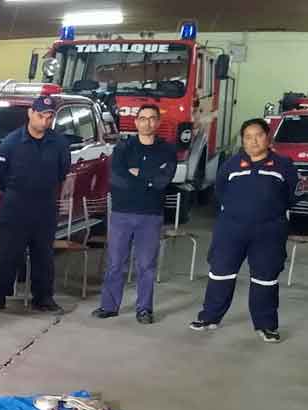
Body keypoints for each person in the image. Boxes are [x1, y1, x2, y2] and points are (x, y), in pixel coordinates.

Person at [190, 118, 301, 342]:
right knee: (220, 273)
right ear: (243, 140)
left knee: (265, 278)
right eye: (248, 137)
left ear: (267, 137)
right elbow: (220, 192)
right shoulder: (231, 165)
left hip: (269, 232)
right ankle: (209, 317)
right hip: (231, 230)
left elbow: (292, 195)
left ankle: (266, 325)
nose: (253, 141)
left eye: (258, 135)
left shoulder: (283, 166)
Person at [0, 95, 71, 314]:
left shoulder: (58, 143)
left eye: (49, 117)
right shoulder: (11, 142)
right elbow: (0, 177)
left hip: (45, 206)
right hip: (16, 206)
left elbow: (62, 172)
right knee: (7, 254)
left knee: (43, 255)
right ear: (30, 113)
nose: (45, 122)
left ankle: (43, 298)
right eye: (41, 116)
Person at [92, 104, 176, 324]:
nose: (147, 123)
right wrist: (149, 178)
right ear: (136, 122)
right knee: (115, 263)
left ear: (158, 122)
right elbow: (117, 179)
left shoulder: (167, 150)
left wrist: (139, 175)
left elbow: (163, 181)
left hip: (151, 215)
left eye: (152, 118)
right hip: (122, 213)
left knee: (146, 265)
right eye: (143, 118)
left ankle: (144, 309)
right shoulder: (123, 148)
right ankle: (109, 306)